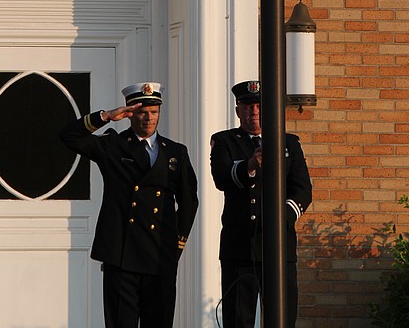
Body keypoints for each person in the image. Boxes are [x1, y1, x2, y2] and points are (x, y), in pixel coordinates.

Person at [59, 81, 198, 328]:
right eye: (142, 111)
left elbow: (188, 201)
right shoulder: (113, 145)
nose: (148, 118)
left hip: (159, 255)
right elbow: (69, 136)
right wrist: (106, 116)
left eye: (154, 112)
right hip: (122, 256)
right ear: (130, 112)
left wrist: (176, 244)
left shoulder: (176, 151)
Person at [210, 80, 312, 328]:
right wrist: (250, 166)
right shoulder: (224, 141)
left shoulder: (288, 143)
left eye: (258, 106)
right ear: (237, 110)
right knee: (238, 319)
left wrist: (282, 218)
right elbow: (222, 178)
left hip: (278, 246)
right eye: (246, 106)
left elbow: (302, 190)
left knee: (282, 319)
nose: (253, 112)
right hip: (240, 246)